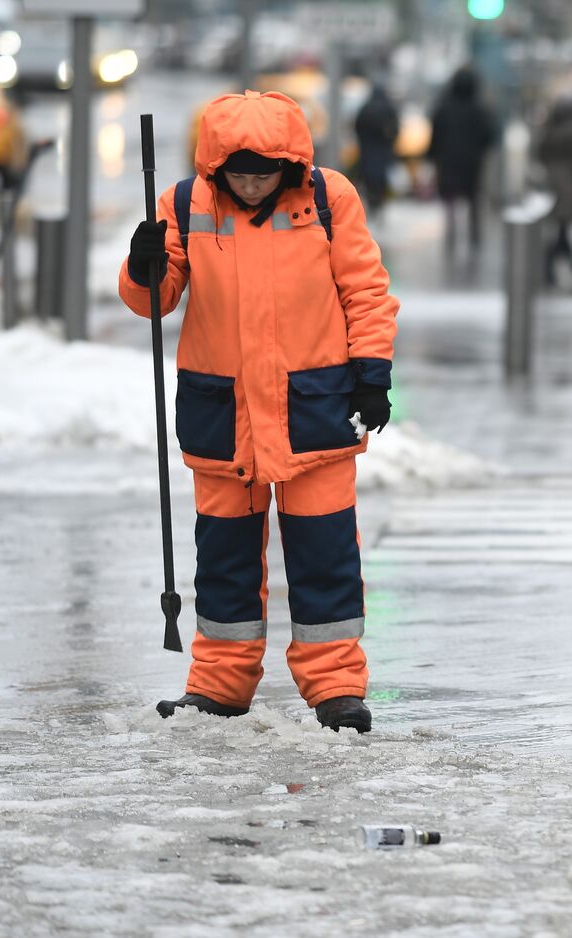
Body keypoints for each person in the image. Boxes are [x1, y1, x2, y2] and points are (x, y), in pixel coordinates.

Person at [120, 90, 398, 734]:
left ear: (290, 166)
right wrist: (143, 266)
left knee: (325, 556)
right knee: (223, 561)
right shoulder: (186, 204)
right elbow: (156, 300)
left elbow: (366, 290)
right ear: (216, 167)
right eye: (237, 174)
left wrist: (373, 375)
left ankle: (335, 687)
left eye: (263, 173)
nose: (250, 185)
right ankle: (219, 684)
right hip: (225, 415)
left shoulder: (328, 199)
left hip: (316, 410)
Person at [427, 66, 496, 256]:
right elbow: (489, 136)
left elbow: (435, 136)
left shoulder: (444, 107)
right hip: (472, 163)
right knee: (473, 199)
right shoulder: (479, 109)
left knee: (450, 200)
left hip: (448, 162)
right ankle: (474, 236)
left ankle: (451, 236)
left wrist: (432, 156)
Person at [535, 97, 572, 289]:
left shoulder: (548, 133)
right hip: (568, 183)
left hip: (551, 182)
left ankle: (561, 266)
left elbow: (538, 154)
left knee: (560, 227)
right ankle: (565, 265)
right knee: (563, 227)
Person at [354, 81, 400, 216]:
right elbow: (395, 129)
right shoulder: (389, 108)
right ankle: (379, 204)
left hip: (367, 151)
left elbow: (357, 127)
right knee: (381, 179)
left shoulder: (365, 108)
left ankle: (372, 203)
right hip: (384, 151)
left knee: (368, 179)